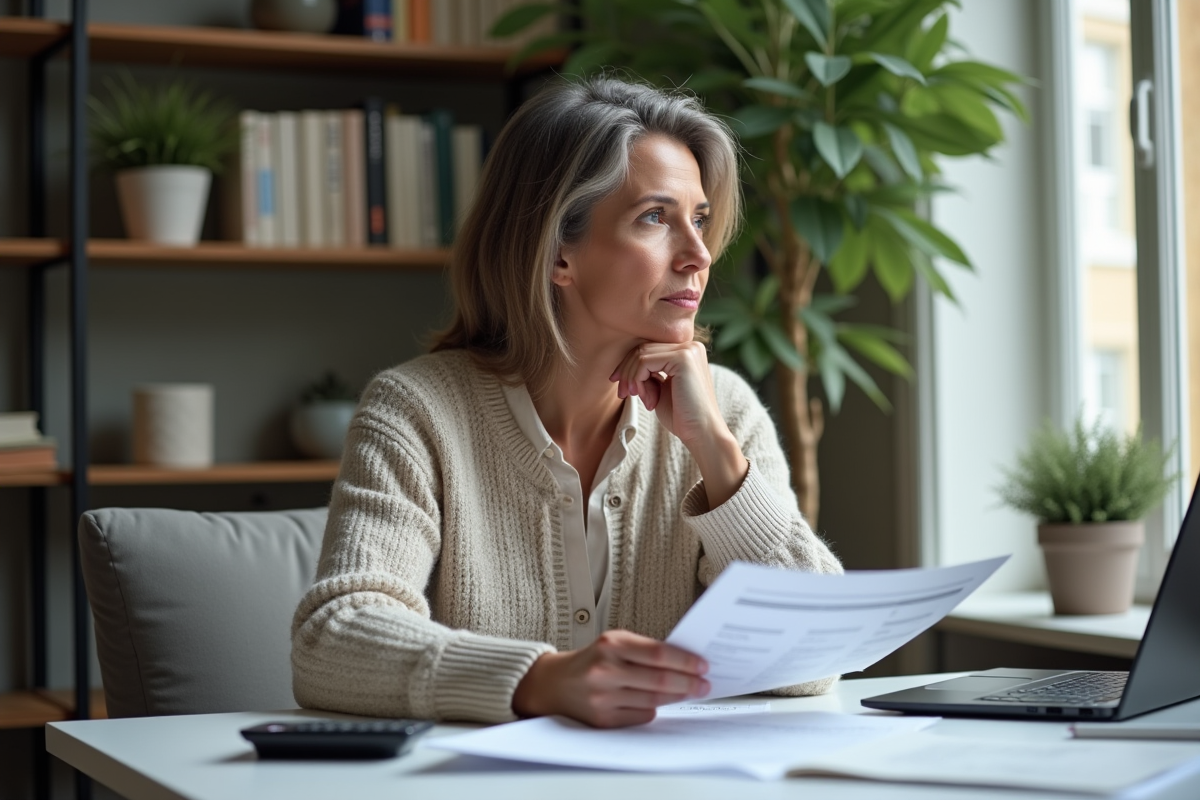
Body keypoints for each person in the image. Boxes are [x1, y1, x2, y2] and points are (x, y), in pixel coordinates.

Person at [291, 76, 843, 729]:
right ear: (559, 253)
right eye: (656, 219)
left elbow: (817, 658)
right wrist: (541, 678)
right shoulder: (416, 410)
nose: (698, 255)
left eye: (699, 219)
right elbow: (332, 642)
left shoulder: (727, 410)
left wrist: (718, 456)